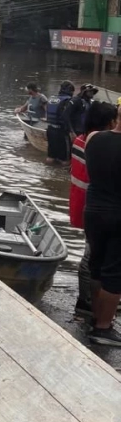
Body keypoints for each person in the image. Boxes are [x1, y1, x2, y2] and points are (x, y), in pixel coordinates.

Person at [69, 102, 118, 318]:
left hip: (87, 206)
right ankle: (88, 302)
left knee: (94, 257)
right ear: (109, 122)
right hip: (96, 206)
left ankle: (91, 301)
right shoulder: (92, 142)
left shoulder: (84, 140)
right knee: (93, 257)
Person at [83, 109, 121, 345]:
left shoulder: (93, 137)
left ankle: (96, 317)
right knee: (115, 273)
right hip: (118, 214)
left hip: (93, 211)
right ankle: (103, 328)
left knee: (96, 266)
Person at [45, 81, 76, 164]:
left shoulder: (51, 98)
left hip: (50, 129)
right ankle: (61, 173)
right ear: (70, 90)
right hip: (61, 132)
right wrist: (71, 131)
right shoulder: (67, 100)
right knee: (65, 160)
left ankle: (48, 170)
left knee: (51, 157)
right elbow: (65, 117)